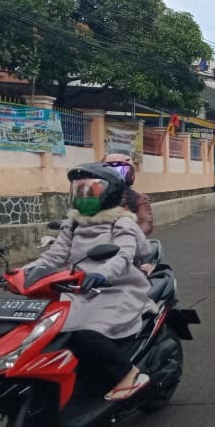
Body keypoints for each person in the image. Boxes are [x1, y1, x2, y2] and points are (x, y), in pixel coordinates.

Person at [22, 163, 151, 401]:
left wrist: (102, 273)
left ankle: (128, 373)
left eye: (90, 191)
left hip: (116, 289)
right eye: (79, 190)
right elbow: (53, 257)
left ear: (110, 193)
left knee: (86, 333)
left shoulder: (121, 223)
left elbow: (123, 257)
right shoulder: (73, 223)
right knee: (49, 332)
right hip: (78, 289)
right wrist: (20, 273)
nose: (83, 196)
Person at [102, 154, 153, 236]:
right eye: (110, 171)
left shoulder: (138, 198)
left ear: (130, 174)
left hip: (129, 238)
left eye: (122, 170)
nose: (115, 175)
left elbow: (146, 223)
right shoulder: (97, 196)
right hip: (100, 238)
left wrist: (130, 235)